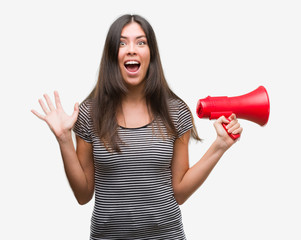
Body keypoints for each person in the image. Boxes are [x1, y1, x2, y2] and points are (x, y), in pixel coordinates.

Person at [32, 14, 242, 240]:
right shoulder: (89, 113)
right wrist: (64, 138)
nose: (131, 49)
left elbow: (180, 192)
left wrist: (220, 145)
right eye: (122, 43)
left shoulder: (176, 112)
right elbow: (83, 195)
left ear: (151, 54)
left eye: (141, 42)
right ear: (112, 55)